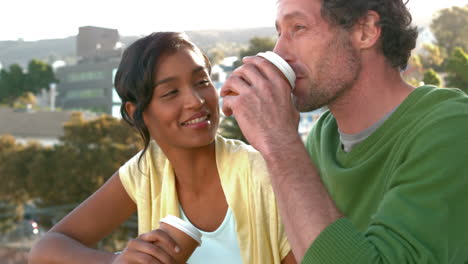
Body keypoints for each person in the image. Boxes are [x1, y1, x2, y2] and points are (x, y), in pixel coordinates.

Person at [220, 0, 468, 263]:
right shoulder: (323, 138)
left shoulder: (452, 129)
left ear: (366, 31)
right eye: (279, 33)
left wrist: (279, 142)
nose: (279, 52)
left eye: (299, 28)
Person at [29, 32, 296, 264]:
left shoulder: (261, 174)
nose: (195, 100)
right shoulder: (146, 172)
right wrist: (116, 261)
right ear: (137, 113)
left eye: (202, 82)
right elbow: (45, 251)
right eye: (170, 93)